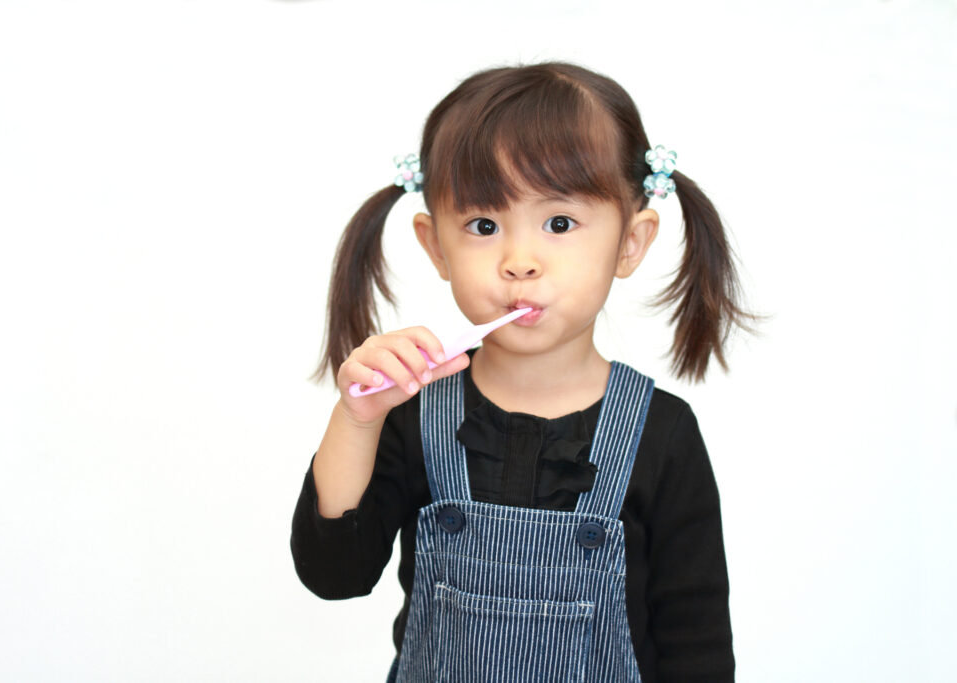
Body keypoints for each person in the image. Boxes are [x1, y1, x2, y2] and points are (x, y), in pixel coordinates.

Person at [291, 62, 753, 682]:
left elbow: (696, 643)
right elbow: (333, 577)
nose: (519, 261)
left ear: (631, 243)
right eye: (483, 226)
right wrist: (355, 421)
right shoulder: (414, 413)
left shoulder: (663, 433)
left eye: (559, 224)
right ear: (435, 247)